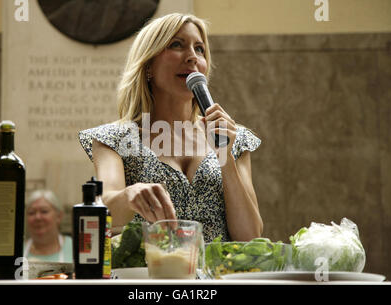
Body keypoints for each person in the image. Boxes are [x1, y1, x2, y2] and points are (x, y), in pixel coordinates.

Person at [79, 13, 263, 242]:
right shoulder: (114, 139)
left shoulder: (235, 138)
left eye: (199, 49)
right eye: (176, 45)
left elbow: (250, 236)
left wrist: (225, 156)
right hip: (150, 275)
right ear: (148, 66)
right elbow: (105, 211)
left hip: (218, 276)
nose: (192, 57)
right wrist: (130, 195)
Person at [24, 190, 73, 262]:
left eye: (44, 211)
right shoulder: (18, 250)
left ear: (59, 216)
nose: (37, 217)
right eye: (31, 213)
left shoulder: (74, 248)